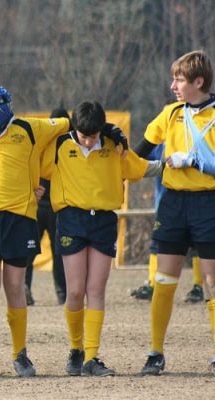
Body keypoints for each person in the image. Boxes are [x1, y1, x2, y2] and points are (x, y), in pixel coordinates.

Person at [0, 86, 72, 378]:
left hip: (19, 219)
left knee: (14, 287)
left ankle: (19, 355)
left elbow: (69, 124)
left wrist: (109, 131)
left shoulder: (30, 129)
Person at [47, 101, 159, 377]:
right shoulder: (60, 145)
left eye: (93, 136)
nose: (88, 141)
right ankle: (76, 348)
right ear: (75, 129)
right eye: (83, 136)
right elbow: (31, 165)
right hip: (72, 218)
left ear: (101, 130)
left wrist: (170, 165)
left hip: (103, 221)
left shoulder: (113, 145)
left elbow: (138, 167)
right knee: (74, 291)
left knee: (95, 290)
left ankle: (92, 357)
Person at [134, 50, 215, 376]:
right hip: (173, 204)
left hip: (208, 203)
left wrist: (194, 162)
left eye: (179, 79)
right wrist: (111, 146)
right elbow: (137, 154)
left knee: (211, 282)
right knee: (164, 281)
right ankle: (155, 353)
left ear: (199, 81)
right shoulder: (170, 114)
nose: (173, 86)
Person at [129, 143, 204, 303]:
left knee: (199, 246)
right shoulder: (159, 145)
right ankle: (152, 284)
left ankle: (200, 286)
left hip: (198, 203)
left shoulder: (196, 137)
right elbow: (139, 160)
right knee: (158, 243)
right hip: (166, 205)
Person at [25, 107, 69, 306]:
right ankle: (63, 294)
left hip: (37, 205)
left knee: (27, 251)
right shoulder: (70, 144)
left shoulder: (40, 141)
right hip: (58, 207)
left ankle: (24, 287)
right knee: (59, 253)